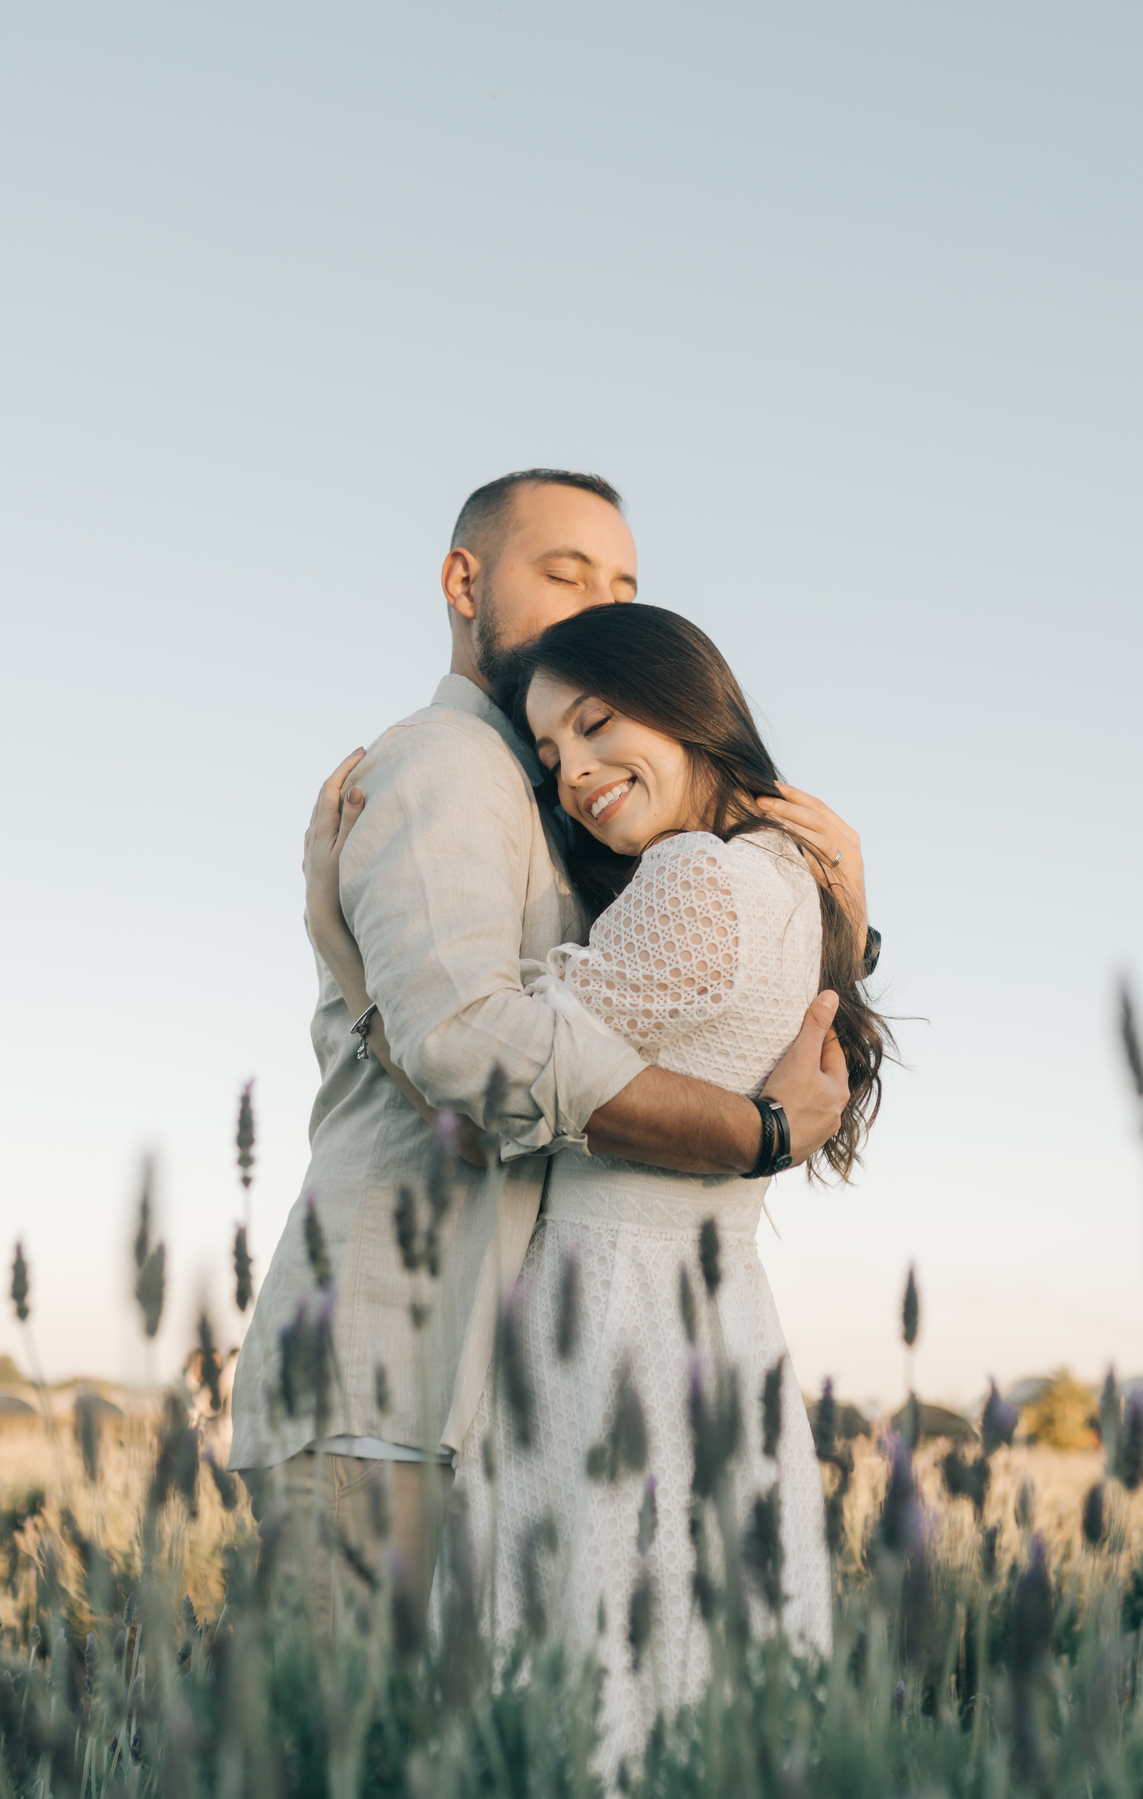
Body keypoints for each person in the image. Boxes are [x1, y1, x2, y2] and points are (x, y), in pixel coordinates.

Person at [230, 470, 871, 1631]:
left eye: (622, 583)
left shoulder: (565, 804)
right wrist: (753, 1134)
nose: (594, 605)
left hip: (480, 1394)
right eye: (564, 572)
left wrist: (843, 932)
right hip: (385, 1379)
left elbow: (708, 1005)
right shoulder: (445, 765)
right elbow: (473, 1050)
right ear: (463, 582)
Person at [307, 603, 890, 1777]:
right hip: (722, 1331)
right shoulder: (800, 879)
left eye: (596, 722)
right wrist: (860, 920)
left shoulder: (689, 876)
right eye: (549, 753)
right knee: (694, 1685)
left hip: (607, 1332)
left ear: (690, 704)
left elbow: (493, 1088)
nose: (572, 771)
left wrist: (342, 934)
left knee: (584, 1695)